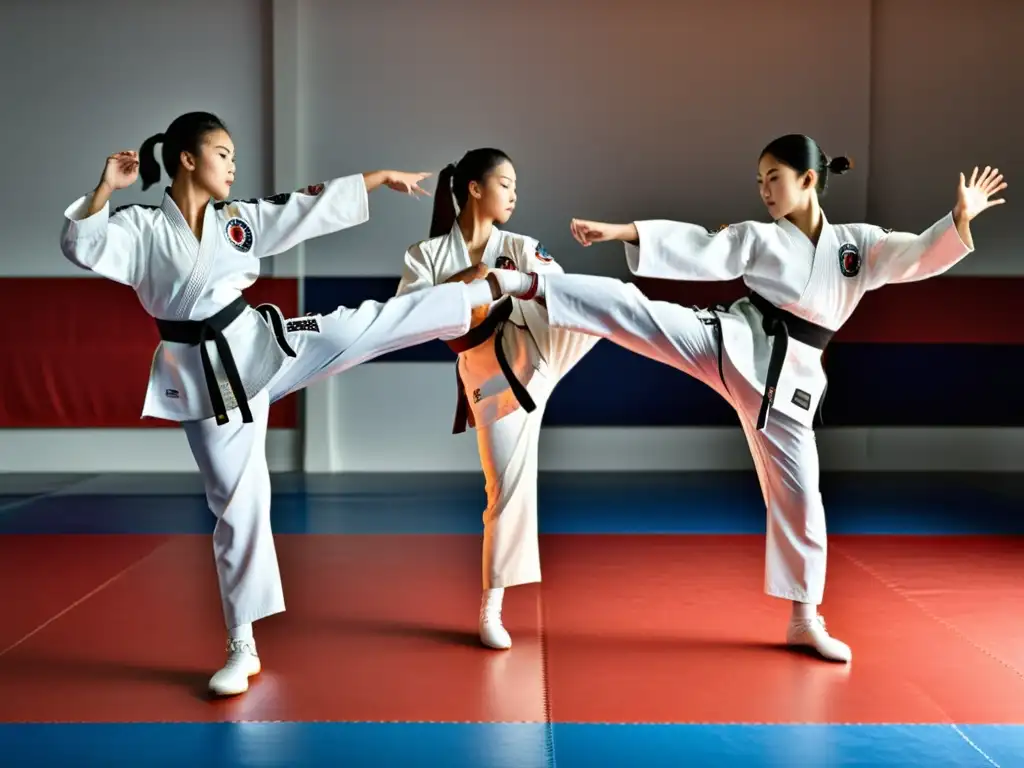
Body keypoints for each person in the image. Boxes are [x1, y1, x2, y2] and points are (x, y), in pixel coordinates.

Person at [488, 134, 1007, 662]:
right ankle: (532, 286)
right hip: (732, 341)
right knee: (634, 309)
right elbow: (699, 247)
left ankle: (804, 620)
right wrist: (621, 231)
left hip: (790, 387)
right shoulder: (760, 236)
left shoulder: (857, 245)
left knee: (803, 499)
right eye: (759, 181)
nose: (764, 191)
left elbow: (919, 254)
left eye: (773, 179)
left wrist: (957, 220)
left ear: (808, 180)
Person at [58, 112, 519, 696]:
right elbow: (82, 245)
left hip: (262, 341)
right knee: (237, 503)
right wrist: (104, 189)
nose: (233, 163)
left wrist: (376, 178)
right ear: (187, 159)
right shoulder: (143, 226)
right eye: (222, 152)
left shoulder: (236, 222)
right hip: (205, 378)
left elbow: (300, 207)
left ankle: (474, 292)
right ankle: (241, 643)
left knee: (360, 325)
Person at [395, 149, 598, 650]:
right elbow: (409, 316)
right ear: (474, 188)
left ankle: (677, 331)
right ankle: (492, 607)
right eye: (505, 183)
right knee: (504, 487)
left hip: (544, 346)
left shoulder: (521, 245)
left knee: (603, 310)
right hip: (490, 375)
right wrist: (469, 283)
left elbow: (563, 289)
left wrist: (504, 284)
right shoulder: (425, 256)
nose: (514, 193)